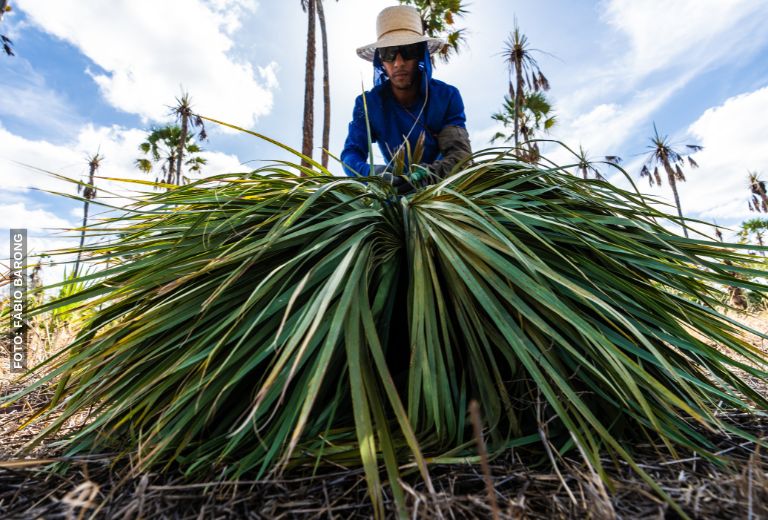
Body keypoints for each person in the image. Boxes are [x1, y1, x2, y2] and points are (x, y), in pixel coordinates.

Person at [340, 5, 472, 191]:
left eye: (408, 51)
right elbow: (351, 154)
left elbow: (460, 156)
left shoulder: (447, 96)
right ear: (381, 61)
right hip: (391, 192)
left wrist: (421, 177)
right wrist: (374, 174)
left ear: (420, 55)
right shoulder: (368, 104)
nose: (398, 63)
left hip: (444, 191)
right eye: (389, 53)